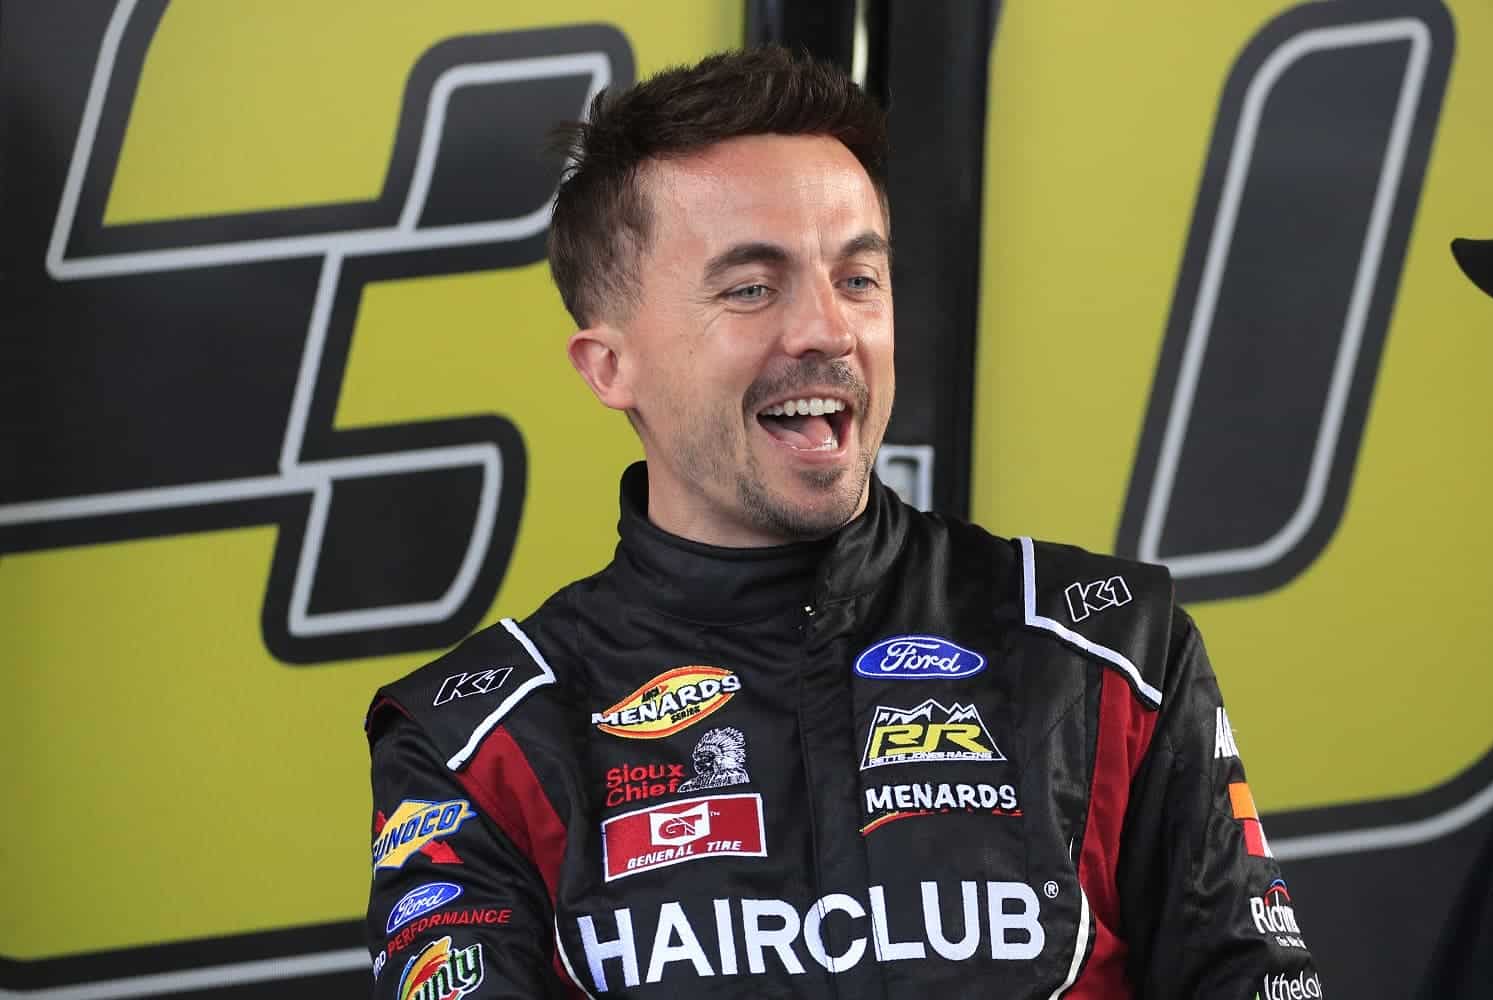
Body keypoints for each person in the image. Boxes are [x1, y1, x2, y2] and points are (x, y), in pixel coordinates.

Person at [364, 46, 1320, 997]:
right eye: (752, 287)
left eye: (859, 279)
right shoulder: (476, 742)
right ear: (609, 365)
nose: (829, 329)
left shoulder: (1107, 651)